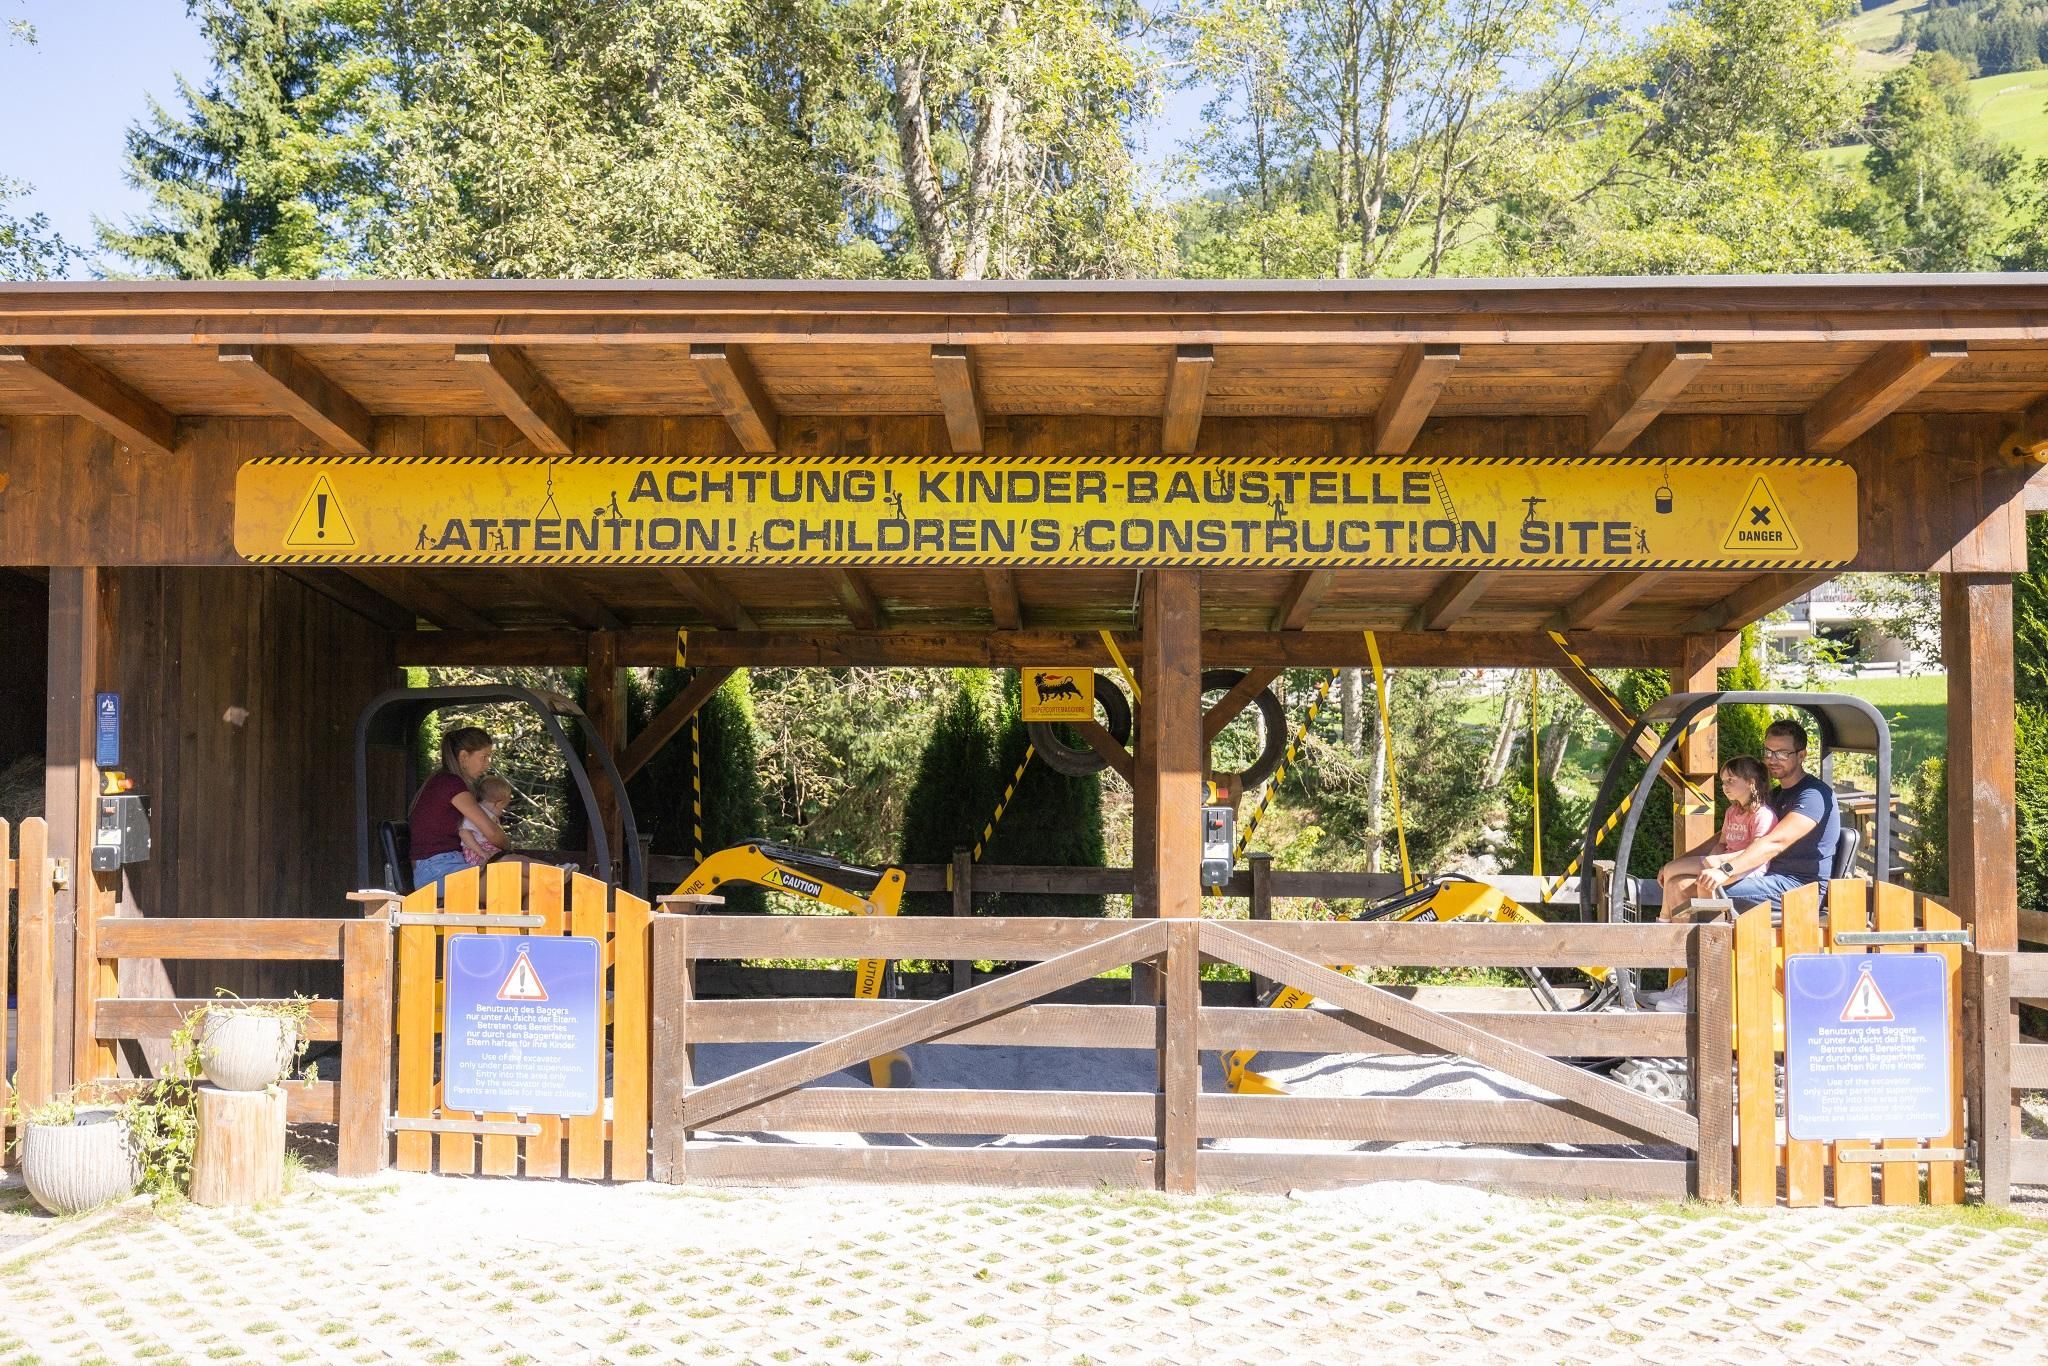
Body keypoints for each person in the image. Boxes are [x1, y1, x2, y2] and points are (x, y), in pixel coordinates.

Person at [1694, 717, 1840, 911]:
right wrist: (1678, 862)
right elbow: (1726, 836)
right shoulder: (1776, 795)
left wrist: (1725, 870)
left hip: (1800, 887)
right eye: (1768, 752)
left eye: (1782, 753)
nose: (1772, 759)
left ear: (1801, 755)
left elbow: (1775, 843)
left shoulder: (1813, 796)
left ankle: (1710, 941)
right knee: (1681, 880)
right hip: (1769, 877)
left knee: (1696, 887)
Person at [1655, 756, 1776, 918]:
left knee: (1694, 873)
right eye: (1723, 782)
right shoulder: (1732, 812)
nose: (1725, 786)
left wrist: (1715, 863)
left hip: (1746, 868)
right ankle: (1666, 918)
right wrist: (1711, 859)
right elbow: (1721, 843)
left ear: (1750, 782)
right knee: (1670, 871)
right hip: (1722, 862)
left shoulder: (1763, 815)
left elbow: (1756, 851)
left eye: (1731, 780)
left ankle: (1671, 919)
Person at [408, 726, 511, 891]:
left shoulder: (442, 780)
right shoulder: (451, 783)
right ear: (463, 757)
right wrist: (508, 846)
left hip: (443, 865)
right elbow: (491, 832)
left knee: (521, 878)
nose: (487, 764)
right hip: (438, 871)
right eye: (484, 757)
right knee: (516, 882)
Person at [460, 775, 516, 867]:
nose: (501, 812)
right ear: (498, 803)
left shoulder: (490, 815)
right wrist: (481, 852)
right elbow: (464, 833)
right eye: (502, 808)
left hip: (488, 849)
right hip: (476, 851)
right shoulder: (476, 812)